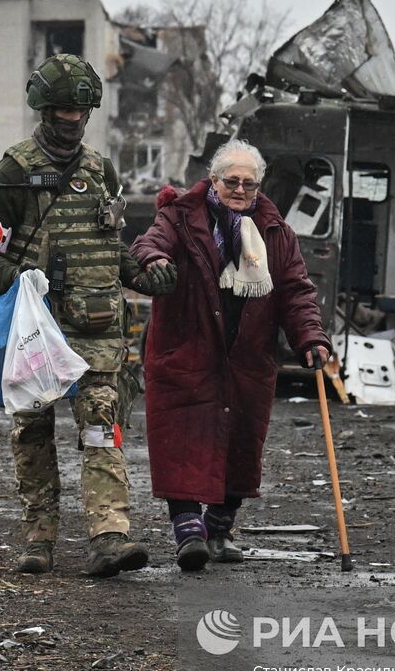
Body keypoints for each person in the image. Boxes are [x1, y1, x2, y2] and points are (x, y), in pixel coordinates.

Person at [0, 53, 170, 578]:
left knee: (103, 427)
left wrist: (145, 275)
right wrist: (20, 282)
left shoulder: (101, 171)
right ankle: (39, 538)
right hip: (35, 330)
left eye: (80, 113)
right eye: (63, 112)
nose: (72, 122)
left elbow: (112, 249)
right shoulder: (12, 171)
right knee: (33, 434)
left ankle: (110, 536)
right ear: (45, 110)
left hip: (96, 328)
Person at [130, 139, 331, 571]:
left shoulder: (275, 232)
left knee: (240, 441)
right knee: (180, 439)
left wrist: (311, 338)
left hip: (247, 355)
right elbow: (148, 243)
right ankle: (189, 533)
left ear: (259, 186)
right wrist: (154, 260)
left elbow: (296, 291)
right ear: (213, 180)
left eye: (249, 183)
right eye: (231, 181)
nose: (240, 189)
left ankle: (219, 529)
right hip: (187, 348)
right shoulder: (180, 217)